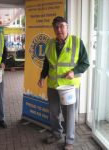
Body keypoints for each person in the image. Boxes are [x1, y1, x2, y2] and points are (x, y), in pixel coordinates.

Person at [37, 16, 89, 150]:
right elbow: (47, 63)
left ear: (67, 27)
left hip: (69, 87)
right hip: (53, 86)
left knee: (69, 114)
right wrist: (42, 77)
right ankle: (56, 134)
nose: (59, 29)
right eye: (56, 27)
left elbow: (85, 63)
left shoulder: (77, 42)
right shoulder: (50, 43)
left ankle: (69, 140)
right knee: (54, 112)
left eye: (62, 26)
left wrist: (74, 71)